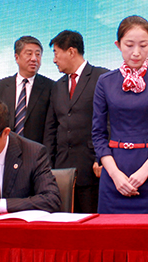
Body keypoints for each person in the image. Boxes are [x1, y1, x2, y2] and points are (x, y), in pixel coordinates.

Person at [93, 16, 148, 214]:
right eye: (129, 45)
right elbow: (98, 134)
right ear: (118, 45)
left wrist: (145, 171)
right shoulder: (105, 82)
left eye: (143, 45)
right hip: (113, 173)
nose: (137, 52)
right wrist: (114, 174)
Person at [43, 30, 108, 213]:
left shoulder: (102, 78)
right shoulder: (57, 86)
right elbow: (51, 129)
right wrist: (48, 167)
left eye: (56, 53)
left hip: (92, 169)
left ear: (71, 51)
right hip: (62, 171)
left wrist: (103, 157)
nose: (54, 60)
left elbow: (110, 122)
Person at [0, 36, 54, 144]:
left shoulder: (51, 87)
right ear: (17, 57)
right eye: (29, 54)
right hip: (4, 148)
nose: (34, 59)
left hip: (37, 149)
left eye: (38, 54)